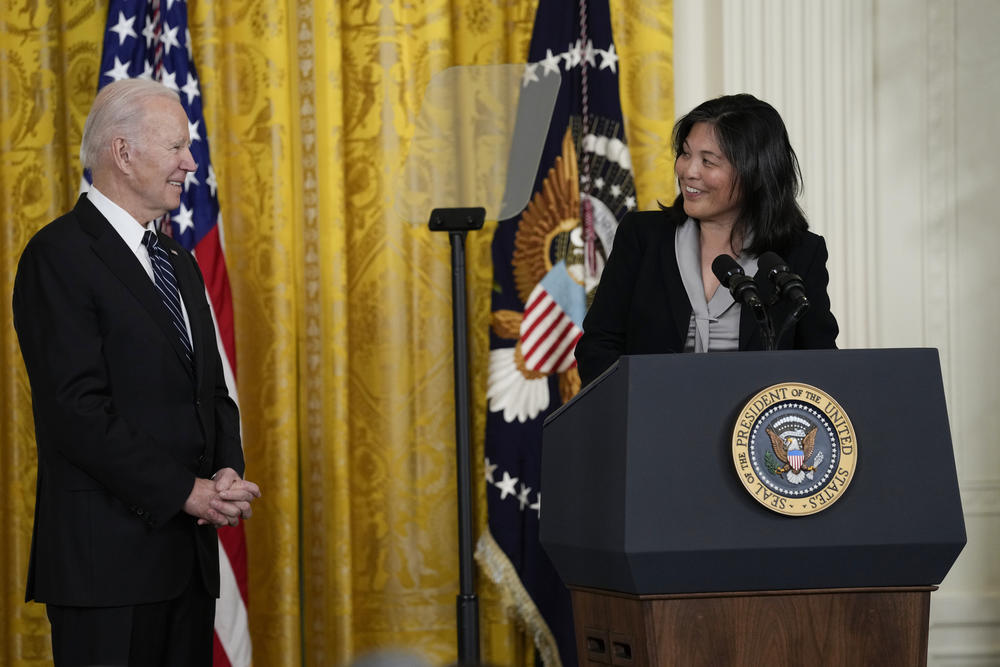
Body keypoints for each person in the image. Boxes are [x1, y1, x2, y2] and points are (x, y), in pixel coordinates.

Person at [12, 78, 260, 666]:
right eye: (176, 147)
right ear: (122, 153)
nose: (190, 163)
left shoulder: (178, 259)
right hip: (107, 574)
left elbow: (212, 392)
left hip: (187, 567)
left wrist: (225, 471)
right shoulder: (59, 255)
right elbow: (77, 411)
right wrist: (185, 493)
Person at [575, 94, 839, 386]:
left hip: (754, 429)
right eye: (685, 154)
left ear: (756, 173)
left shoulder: (800, 253)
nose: (689, 171)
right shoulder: (642, 236)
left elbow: (821, 364)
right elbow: (598, 346)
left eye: (708, 161)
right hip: (650, 424)